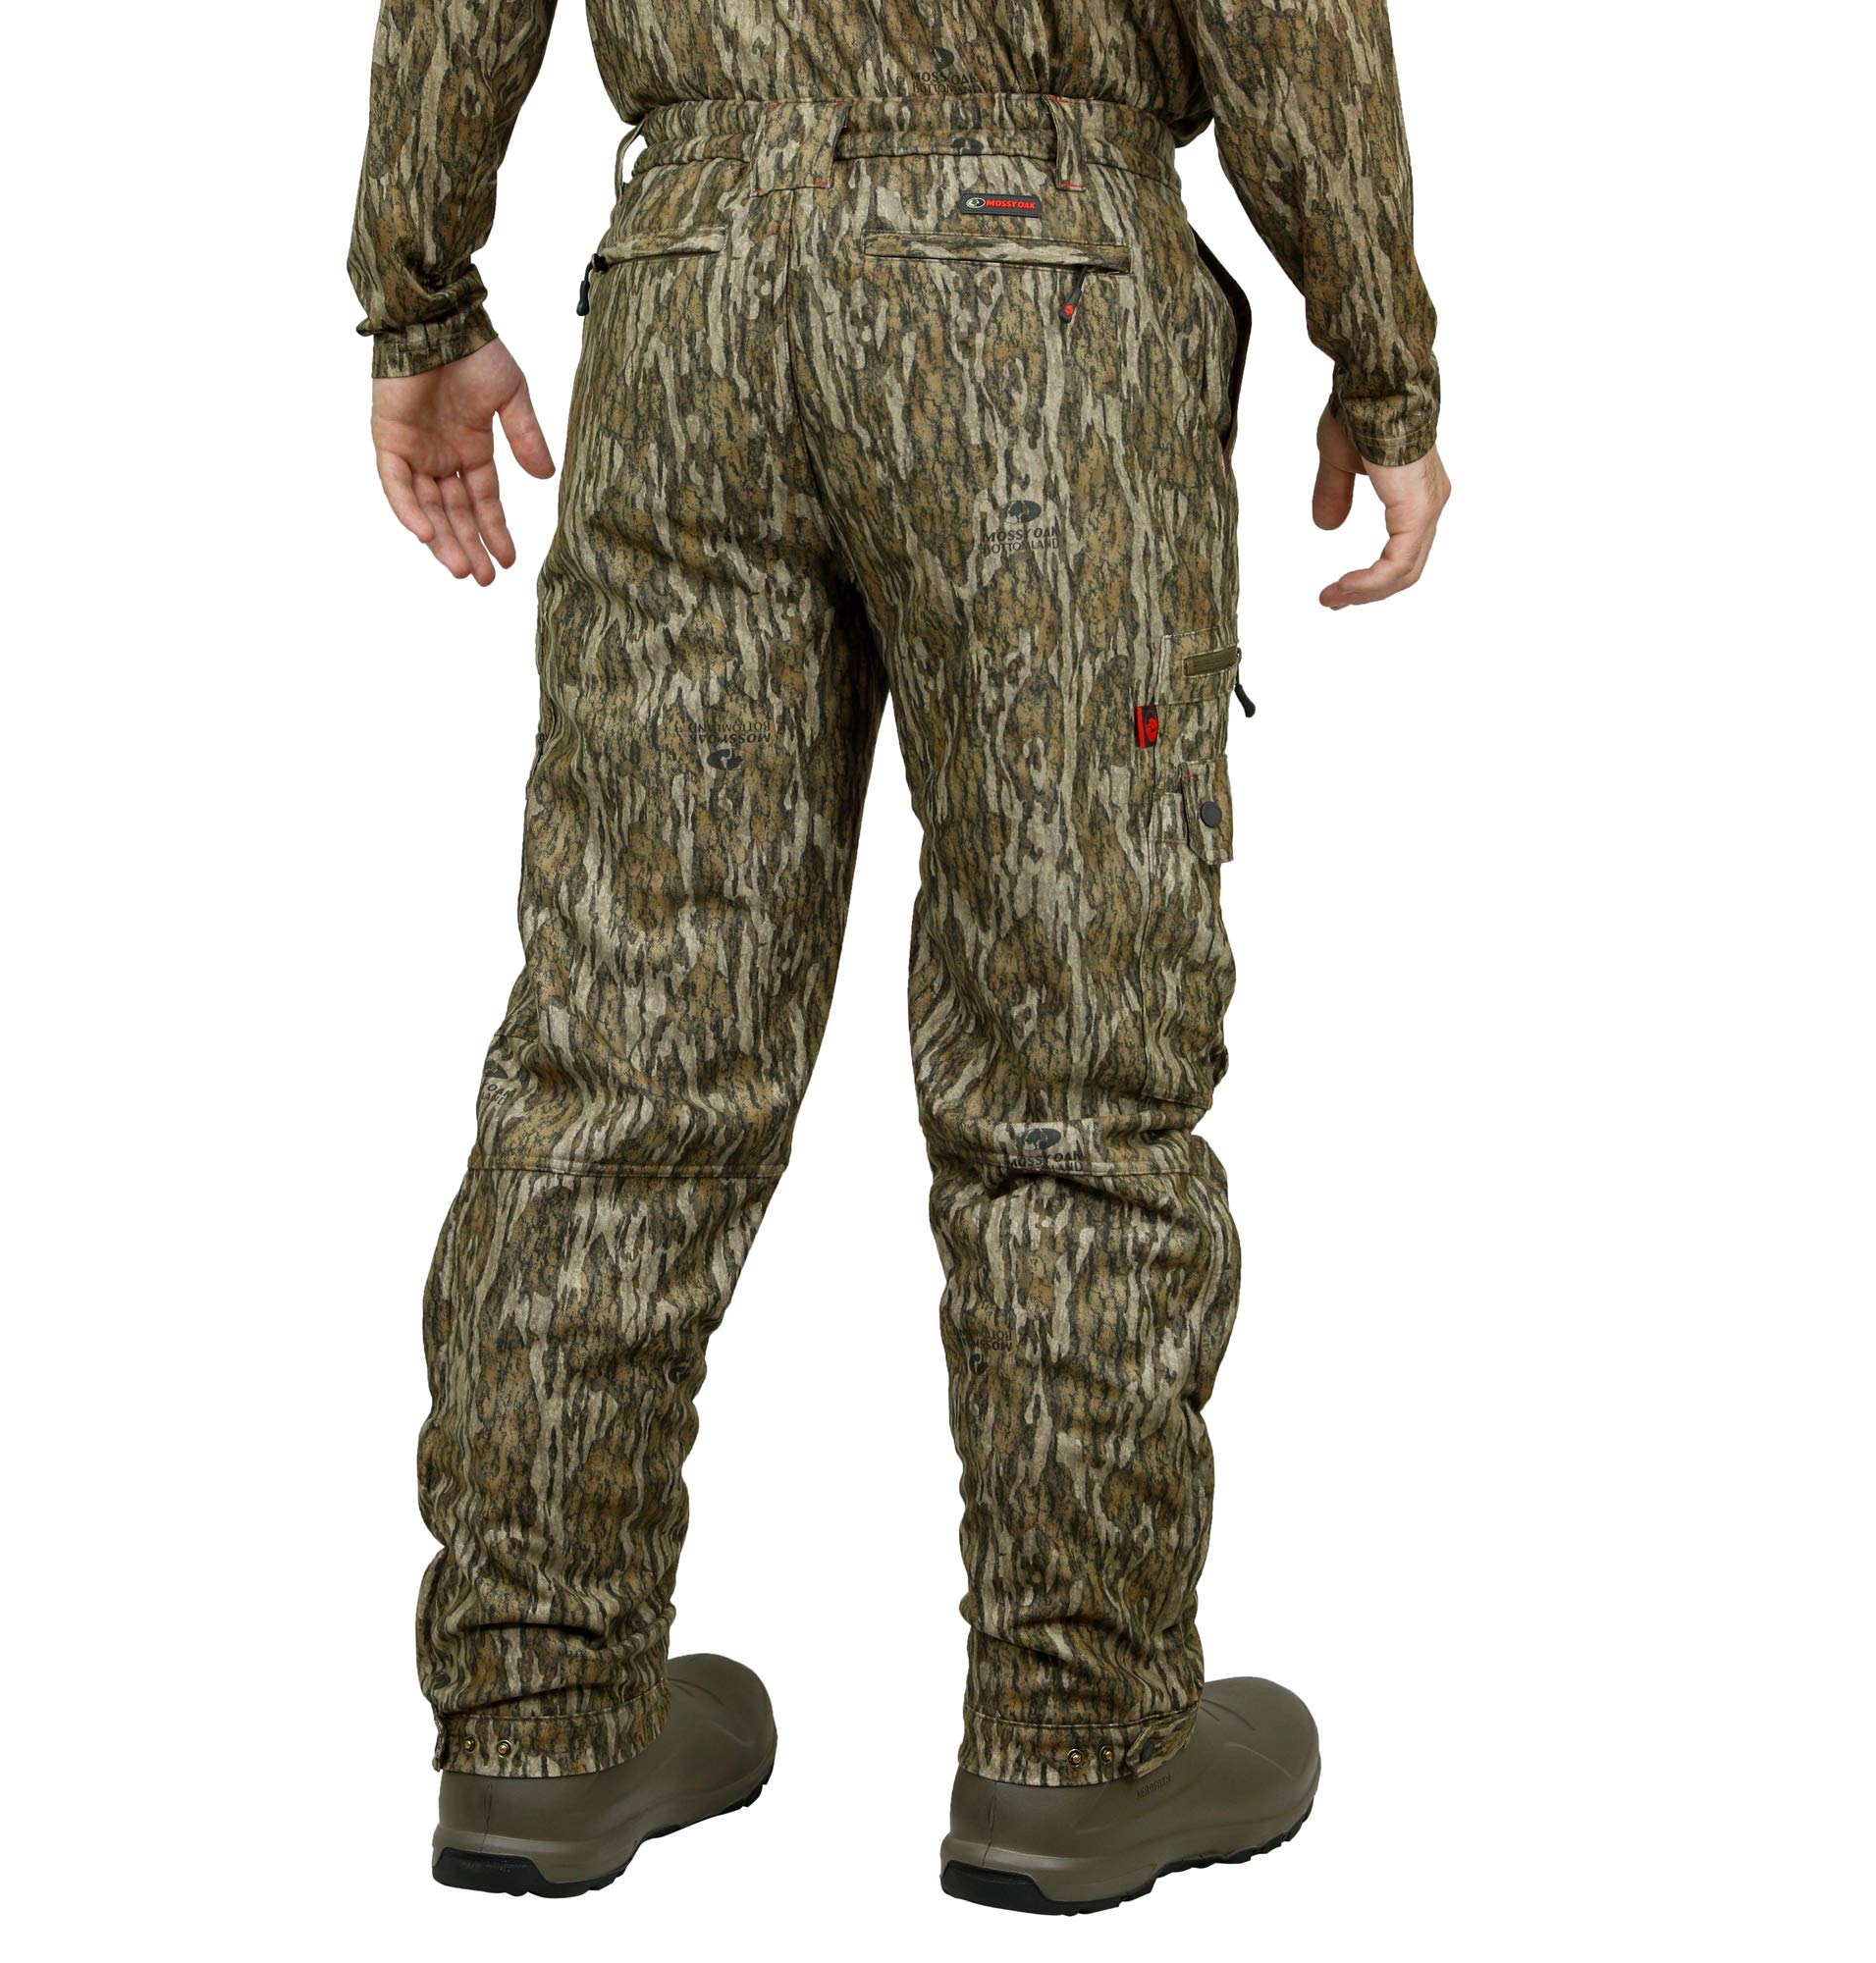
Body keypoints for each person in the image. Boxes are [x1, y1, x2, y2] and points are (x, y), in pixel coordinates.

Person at [349, 0, 1448, 1914]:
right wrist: (1383, 351)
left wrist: (420, 292)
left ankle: (539, 1709)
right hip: (1037, 293)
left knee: (624, 1053)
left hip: (693, 284)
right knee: (1072, 1061)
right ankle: (1076, 1739)